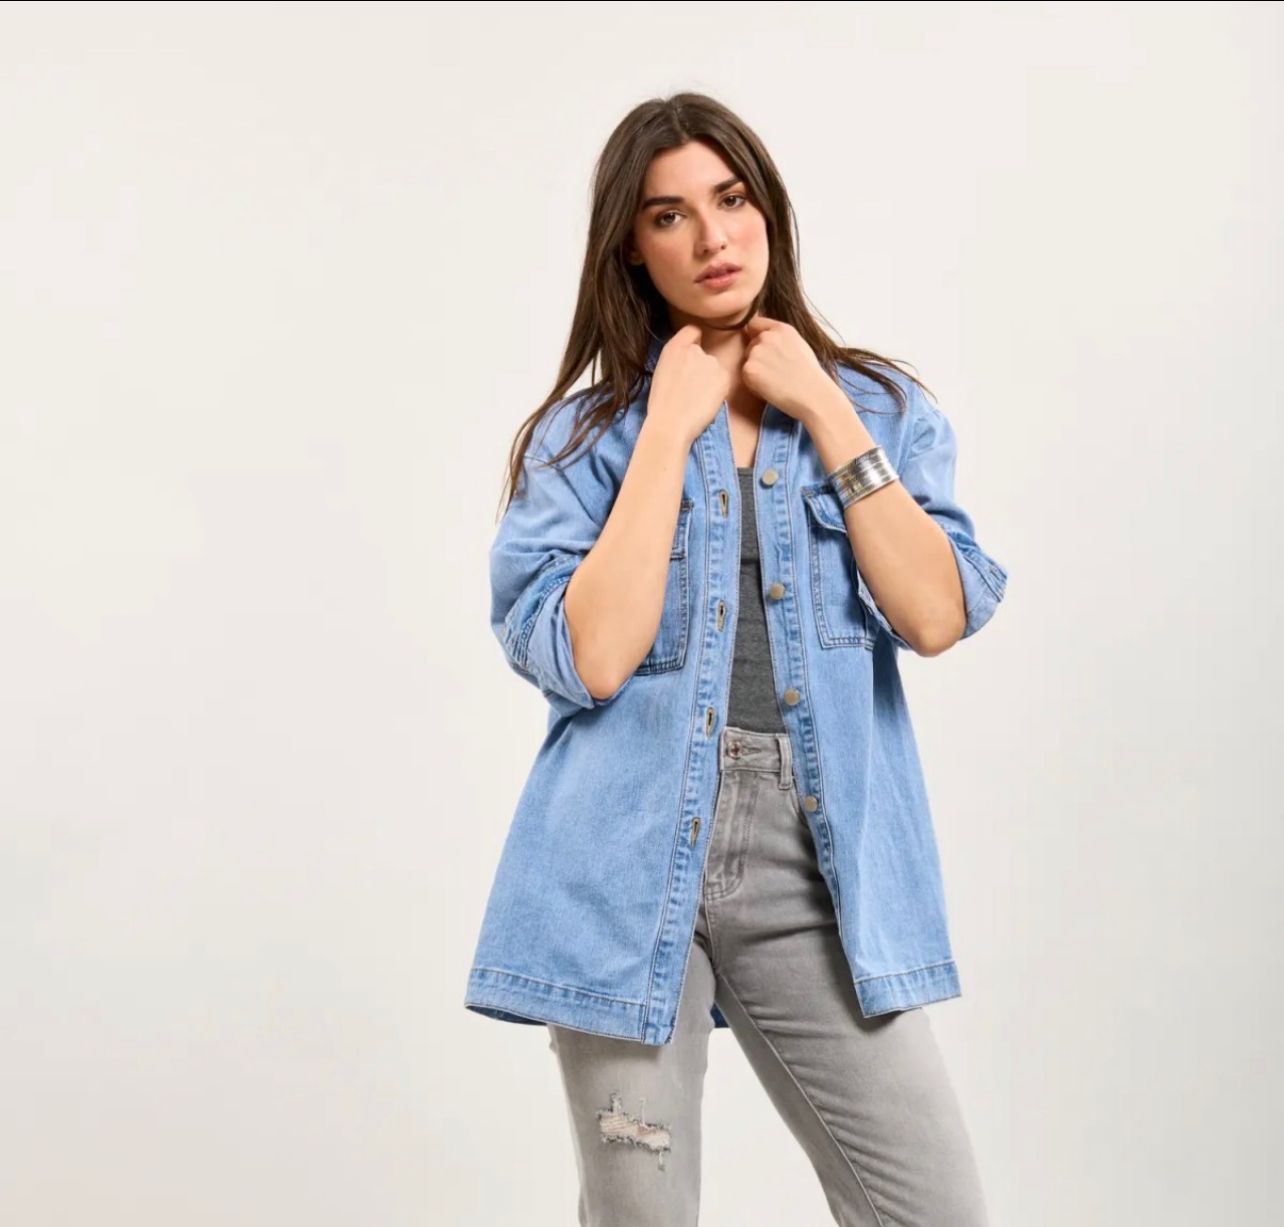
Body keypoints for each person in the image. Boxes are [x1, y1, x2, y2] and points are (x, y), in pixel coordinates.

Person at [463, 91, 1008, 1227]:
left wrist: (825, 409)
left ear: (769, 210)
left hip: (812, 863)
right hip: (618, 870)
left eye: (731, 199)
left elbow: (935, 613)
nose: (711, 238)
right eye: (669, 216)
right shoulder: (583, 441)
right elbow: (594, 658)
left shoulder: (878, 407)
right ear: (631, 246)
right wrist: (667, 425)